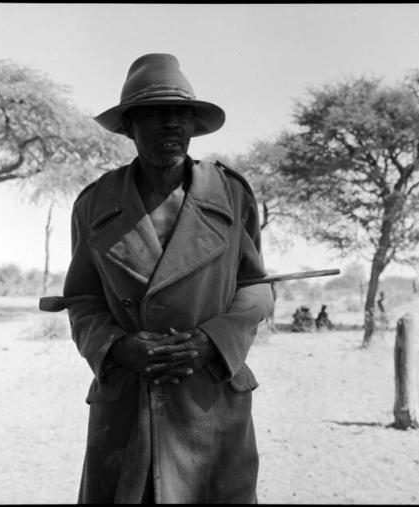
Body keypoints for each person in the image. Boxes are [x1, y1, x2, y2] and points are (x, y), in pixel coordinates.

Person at [62, 53, 274, 504]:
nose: (171, 125)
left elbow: (255, 287)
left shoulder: (231, 195)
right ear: (130, 126)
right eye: (156, 114)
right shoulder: (95, 204)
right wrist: (117, 346)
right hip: (126, 404)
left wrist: (214, 341)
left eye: (181, 114)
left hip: (209, 403)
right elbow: (81, 298)